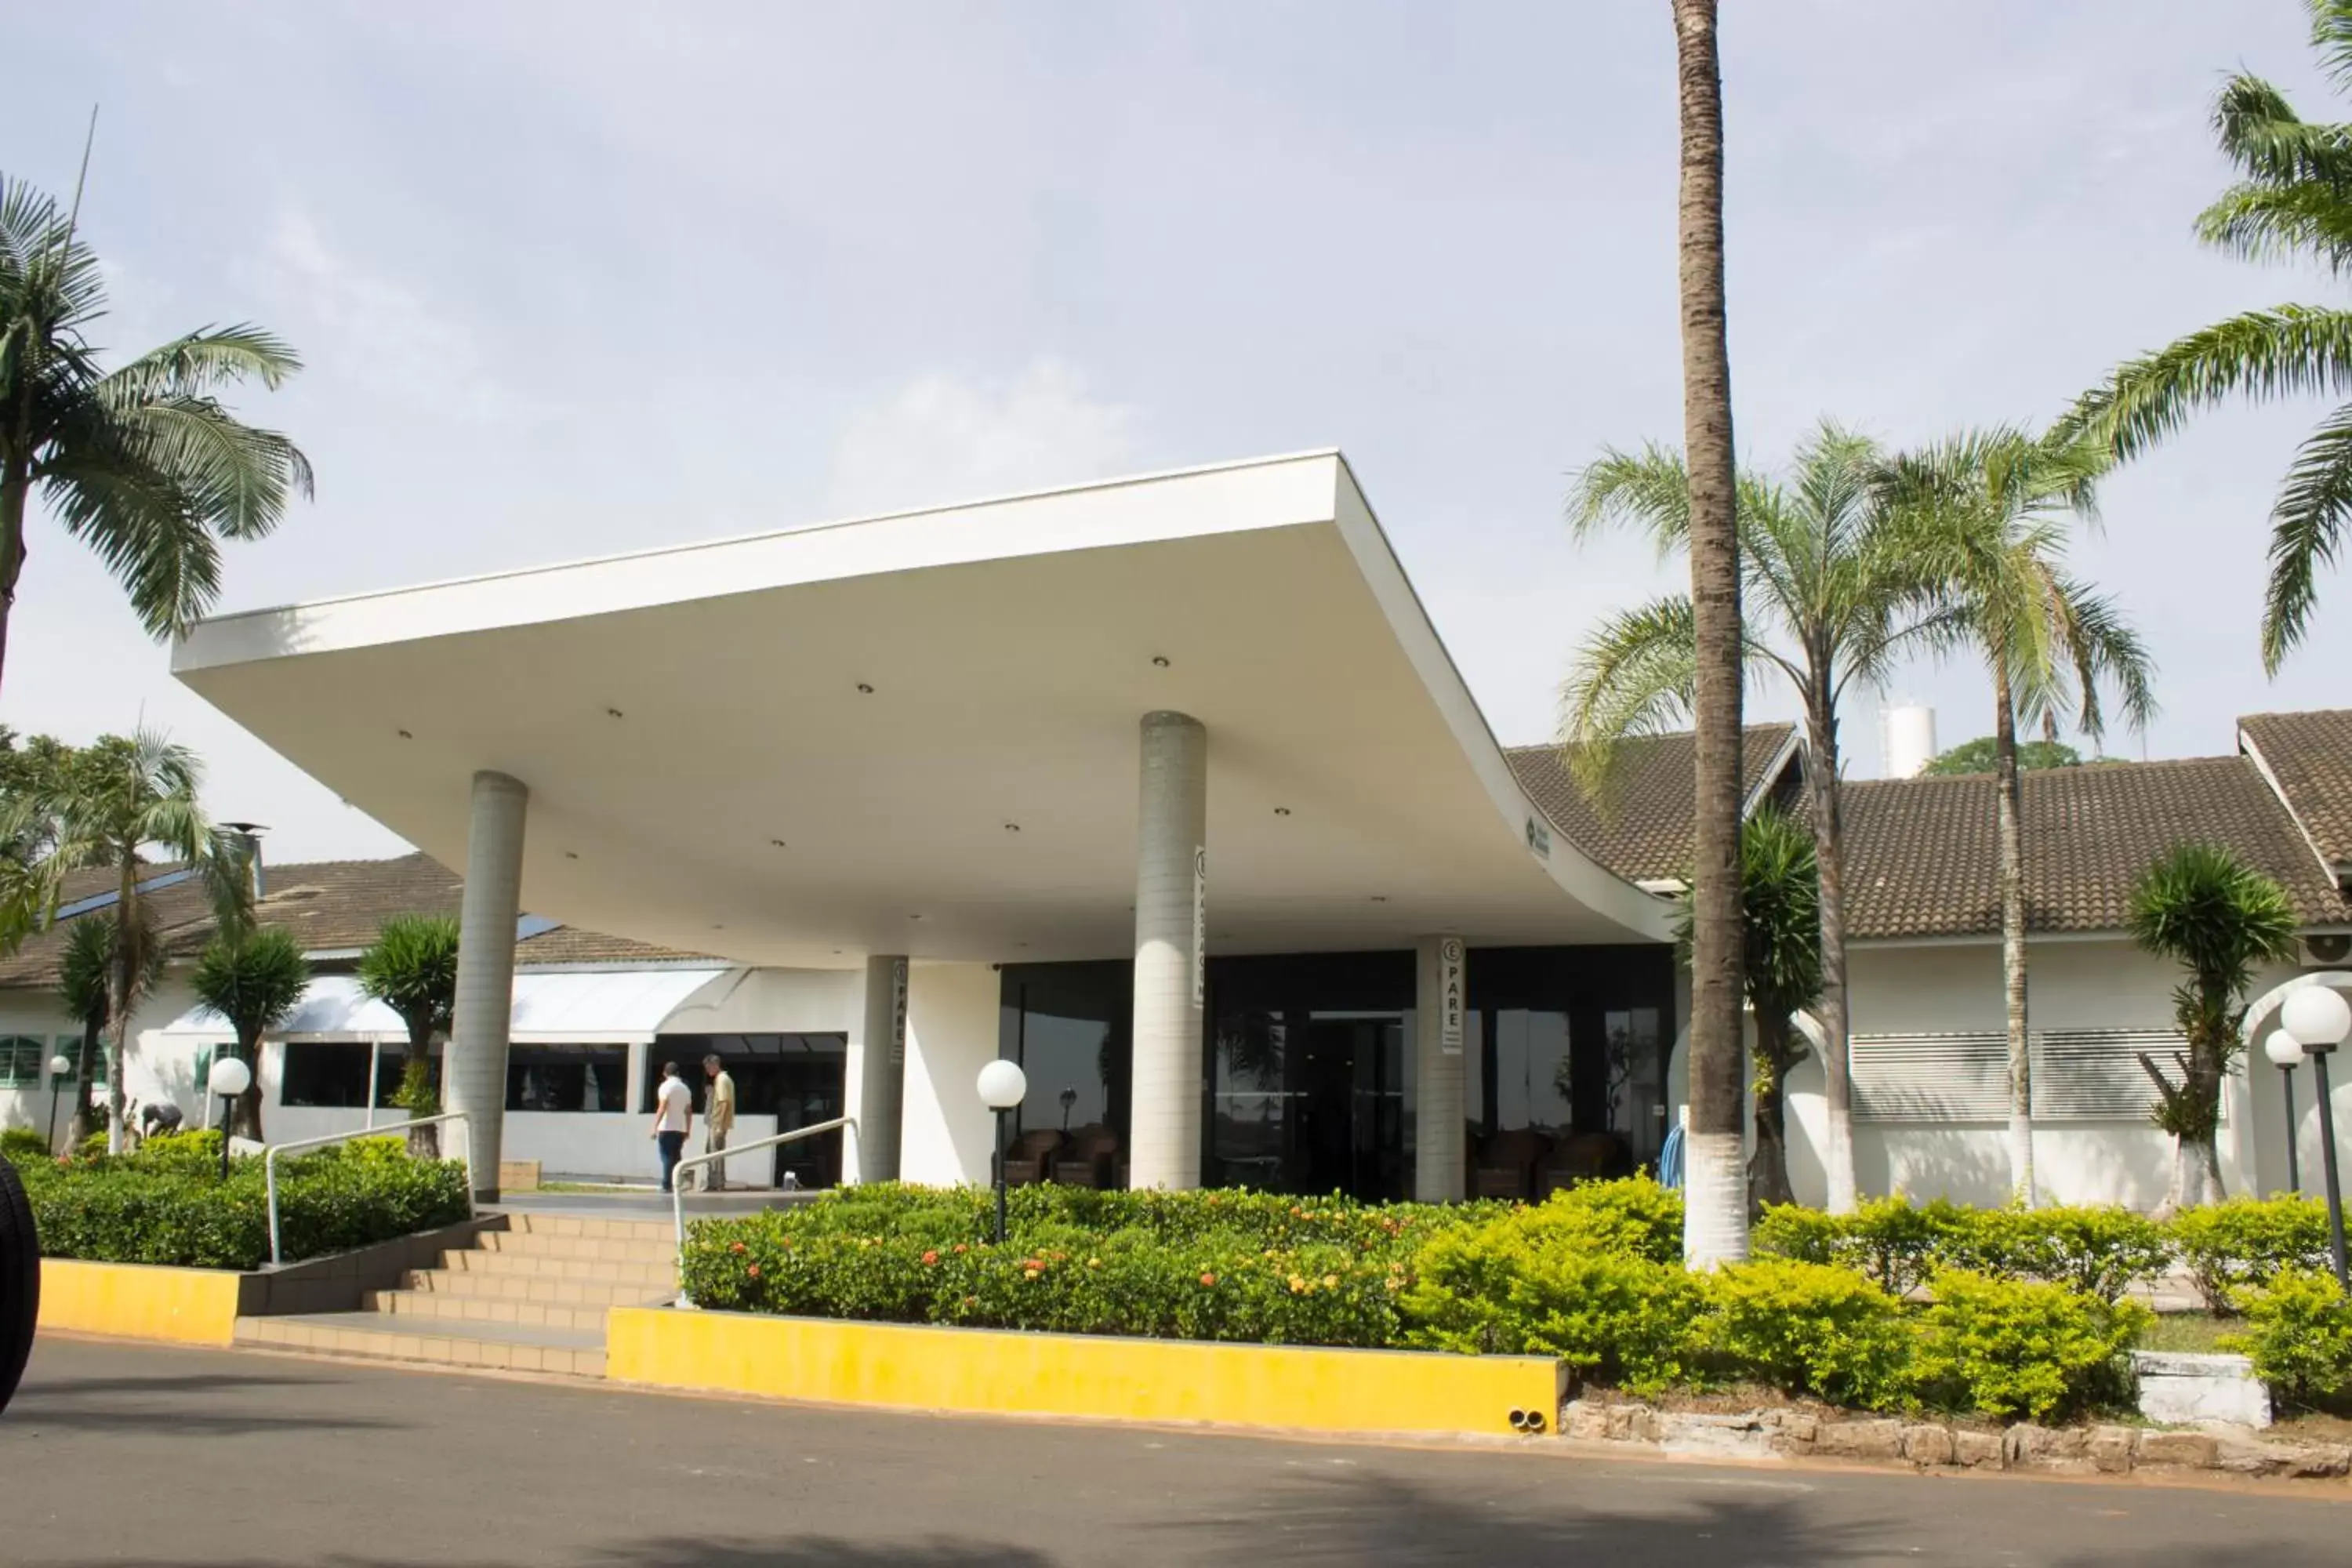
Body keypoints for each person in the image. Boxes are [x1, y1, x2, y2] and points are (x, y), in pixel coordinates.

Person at [651, 1060, 693, 1193]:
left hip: (666, 1127)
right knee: (676, 1156)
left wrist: (654, 1127)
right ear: (678, 1073)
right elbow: (688, 1111)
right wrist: (688, 1129)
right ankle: (677, 1183)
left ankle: (666, 1184)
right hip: (680, 1128)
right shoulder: (685, 1089)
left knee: (666, 1157)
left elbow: (662, 1107)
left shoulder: (666, 1087)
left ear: (665, 1073)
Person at [699, 1054, 735, 1192]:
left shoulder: (721, 1079)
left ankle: (717, 1183)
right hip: (715, 1122)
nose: (707, 1071)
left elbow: (724, 1101)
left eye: (708, 1067)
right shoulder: (721, 1080)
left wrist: (720, 1125)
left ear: (714, 1065)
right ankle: (714, 1182)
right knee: (711, 1151)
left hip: (717, 1123)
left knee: (715, 1153)